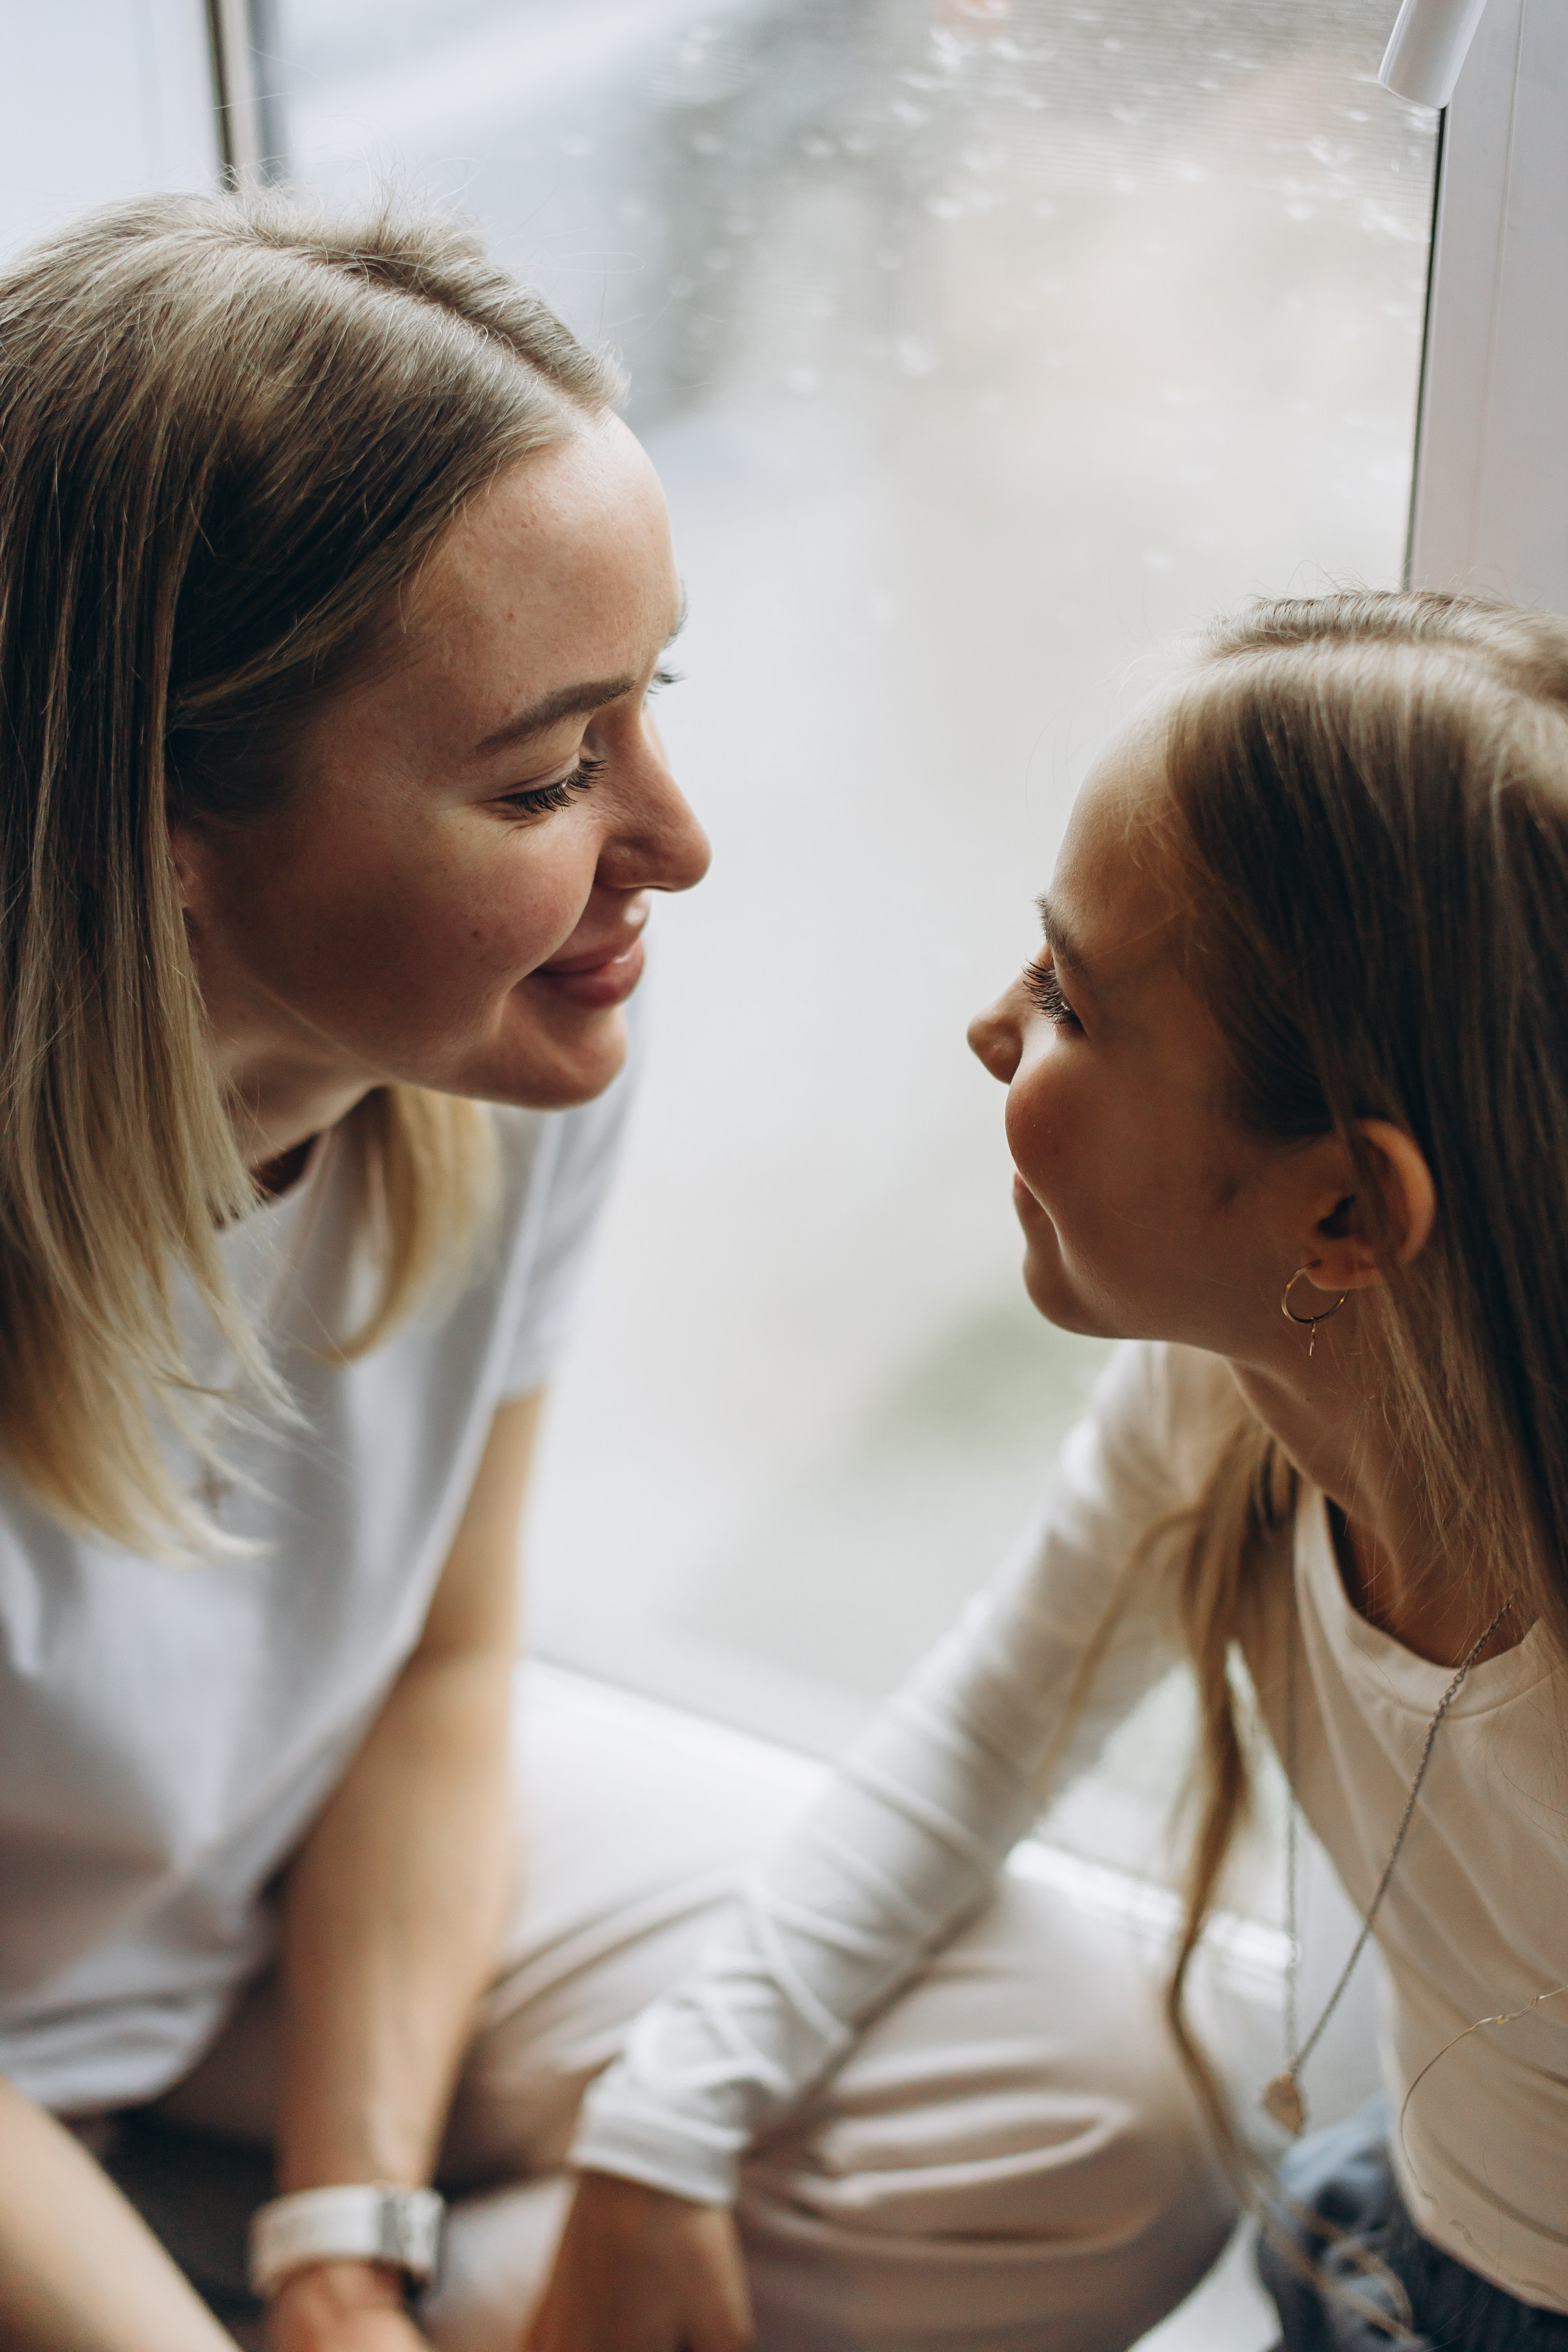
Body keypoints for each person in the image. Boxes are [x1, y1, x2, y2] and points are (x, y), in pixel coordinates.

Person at [0, 191, 1233, 2352]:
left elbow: (436, 1675)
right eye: (552, 770)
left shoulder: (504, 1041)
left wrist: (340, 2237)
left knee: (1095, 2103)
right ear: (162, 826)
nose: (672, 839)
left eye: (646, 703)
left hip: (233, 1930)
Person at [528, 590, 1568, 2352]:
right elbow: (981, 1742)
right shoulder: (1228, 1406)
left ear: (1341, 1213)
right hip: (1381, 2241)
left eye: (1074, 998)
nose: (991, 1027)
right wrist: (658, 2130)